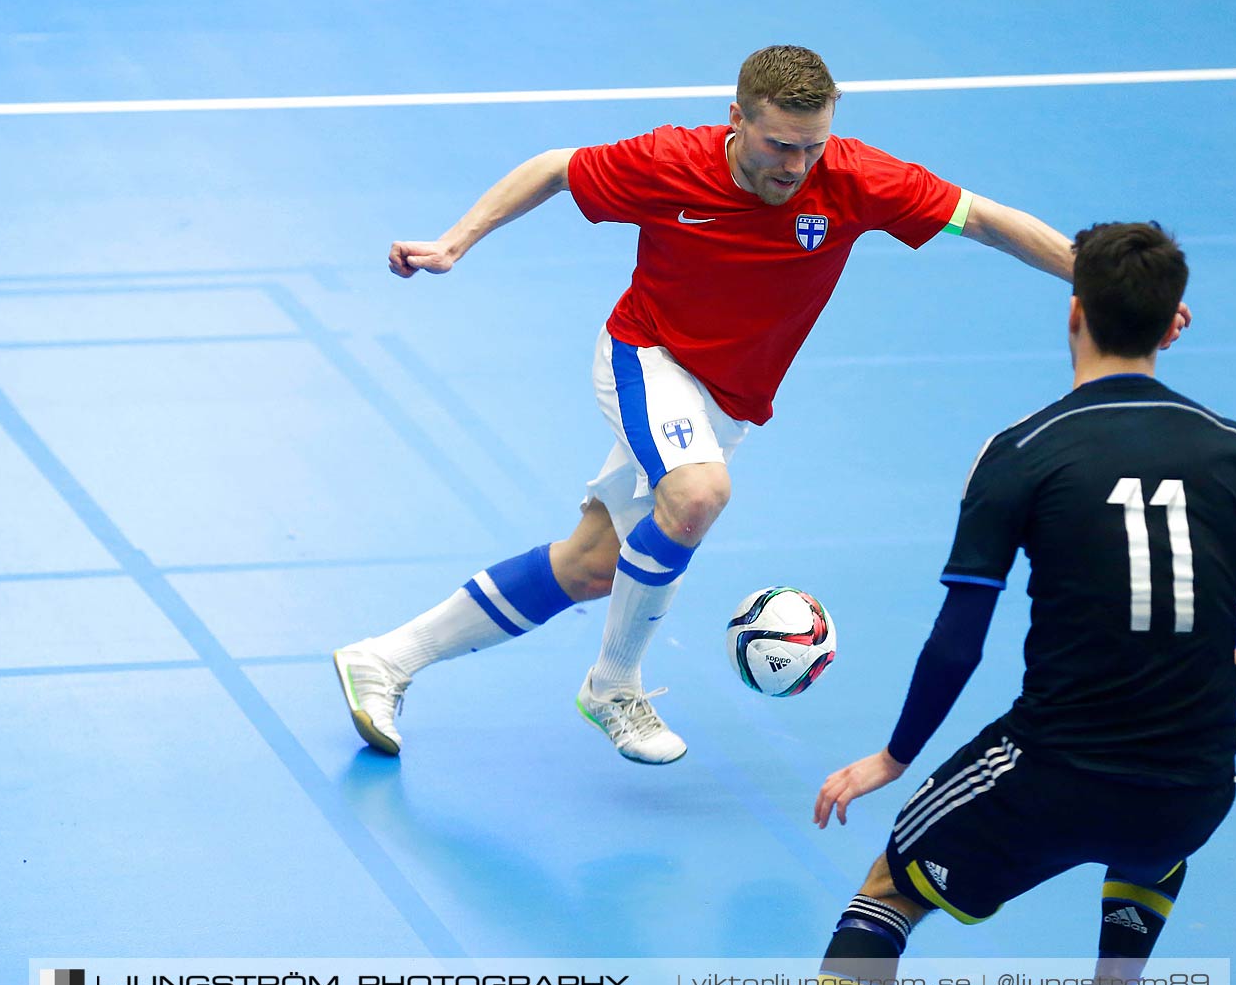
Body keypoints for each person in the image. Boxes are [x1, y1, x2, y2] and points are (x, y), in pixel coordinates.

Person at [332, 45, 1179, 765]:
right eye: (779, 146)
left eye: (812, 147)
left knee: (594, 565)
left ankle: (384, 659)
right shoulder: (670, 162)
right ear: (735, 117)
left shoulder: (852, 179)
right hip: (648, 356)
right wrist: (455, 242)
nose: (796, 166)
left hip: (730, 400)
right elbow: (556, 168)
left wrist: (1108, 288)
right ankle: (612, 686)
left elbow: (987, 220)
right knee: (697, 494)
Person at [807, 222, 1236, 985]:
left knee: (888, 892)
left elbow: (958, 643)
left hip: (1052, 772)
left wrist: (895, 757)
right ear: (1169, 323)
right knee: (1154, 843)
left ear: (1074, 311)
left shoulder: (1022, 451)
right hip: (1194, 781)